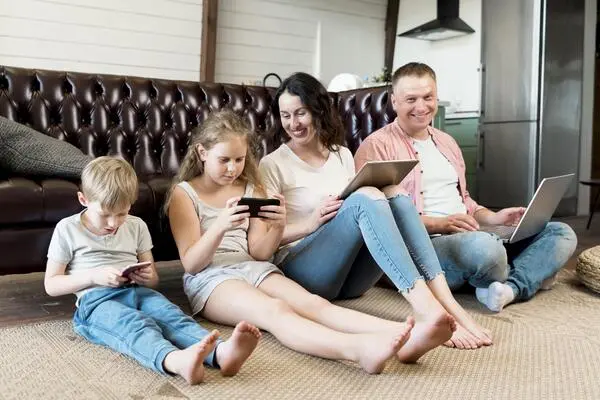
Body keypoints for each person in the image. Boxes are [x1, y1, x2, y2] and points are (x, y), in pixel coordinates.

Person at [165, 109, 439, 374]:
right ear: (202, 152)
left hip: (253, 267)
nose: (233, 168)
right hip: (211, 277)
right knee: (276, 311)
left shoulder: (251, 187)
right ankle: (355, 349)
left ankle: (407, 335)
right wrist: (221, 226)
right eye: (224, 160)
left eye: (239, 159)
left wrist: (278, 224)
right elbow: (191, 263)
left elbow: (259, 253)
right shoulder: (184, 193)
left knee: (315, 304)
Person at [258, 72, 490, 350]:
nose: (293, 124)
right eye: (285, 116)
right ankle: (427, 308)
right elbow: (261, 244)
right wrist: (310, 222)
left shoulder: (341, 154)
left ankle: (446, 302)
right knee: (366, 197)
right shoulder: (272, 165)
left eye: (300, 113)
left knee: (396, 193)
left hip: (349, 283)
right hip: (303, 274)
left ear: (317, 110)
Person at [354, 62, 578, 313]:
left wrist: (494, 217)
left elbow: (466, 201)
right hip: (427, 245)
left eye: (428, 97)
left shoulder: (447, 142)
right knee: (486, 250)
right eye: (411, 99)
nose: (421, 106)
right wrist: (442, 224)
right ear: (394, 101)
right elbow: (377, 220)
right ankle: (530, 272)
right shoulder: (376, 147)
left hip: (472, 233)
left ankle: (509, 288)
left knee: (561, 232)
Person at [44, 156, 261, 385]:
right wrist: (92, 276)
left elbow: (153, 279)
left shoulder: (136, 225)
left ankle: (221, 353)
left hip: (137, 291)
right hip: (96, 302)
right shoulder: (67, 229)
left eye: (121, 213)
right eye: (105, 214)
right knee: (134, 324)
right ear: (83, 199)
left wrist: (147, 278)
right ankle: (176, 360)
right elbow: (51, 285)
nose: (113, 223)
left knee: (170, 315)